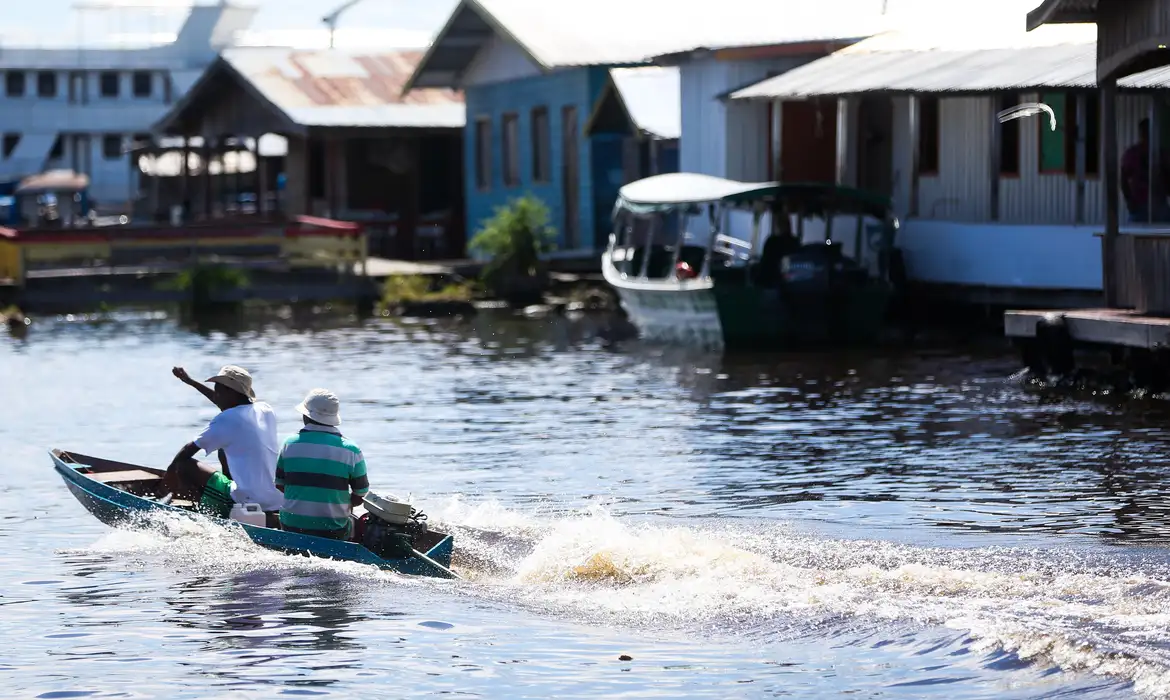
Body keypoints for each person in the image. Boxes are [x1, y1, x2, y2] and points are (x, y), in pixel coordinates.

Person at [165, 365, 282, 520]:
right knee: (223, 449)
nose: (216, 395)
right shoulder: (265, 410)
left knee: (184, 464)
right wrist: (190, 382)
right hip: (274, 500)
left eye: (218, 390)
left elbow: (187, 451)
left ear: (229, 392)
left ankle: (204, 513)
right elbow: (224, 403)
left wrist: (168, 477)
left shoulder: (227, 418)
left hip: (246, 499)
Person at [275, 389, 369, 540]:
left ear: (306, 415)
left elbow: (280, 485)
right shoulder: (351, 450)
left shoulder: (289, 444)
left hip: (292, 526)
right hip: (334, 530)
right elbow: (360, 494)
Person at [1121, 118, 1170, 223]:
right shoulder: (1132, 154)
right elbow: (1123, 179)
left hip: (1159, 204)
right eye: (1145, 132)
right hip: (1140, 205)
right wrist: (1130, 201)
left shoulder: (1162, 154)